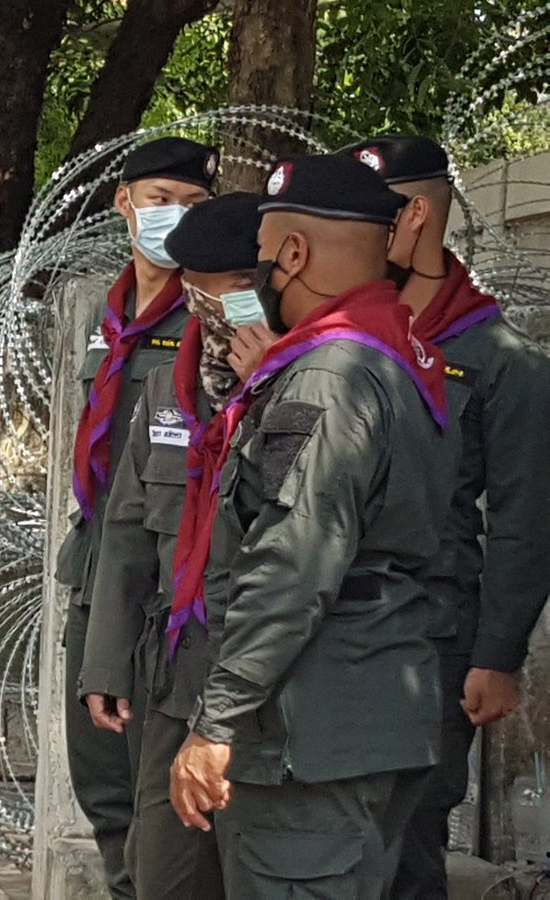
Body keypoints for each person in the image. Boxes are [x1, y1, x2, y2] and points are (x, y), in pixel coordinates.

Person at [169, 155, 457, 898]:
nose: (255, 277)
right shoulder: (399, 358)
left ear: (292, 255)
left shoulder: (325, 378)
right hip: (369, 712)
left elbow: (292, 563)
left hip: (307, 732)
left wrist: (216, 723)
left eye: (263, 257)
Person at [338, 135, 550, 899]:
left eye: (365, 216)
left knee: (404, 840)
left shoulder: (501, 361)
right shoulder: (344, 338)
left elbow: (528, 518)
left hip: (430, 643)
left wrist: (496, 656)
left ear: (414, 216)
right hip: (330, 626)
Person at [82, 193, 270, 900]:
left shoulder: (304, 387)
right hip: (175, 675)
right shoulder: (169, 390)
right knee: (163, 870)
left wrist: (269, 379)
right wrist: (106, 660)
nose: (220, 311)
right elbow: (126, 534)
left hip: (264, 681)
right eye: (205, 291)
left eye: (240, 291)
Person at [57, 136, 219, 898]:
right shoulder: (108, 309)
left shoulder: (218, 310)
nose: (172, 218)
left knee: (159, 800)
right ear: (124, 203)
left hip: (170, 582)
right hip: (98, 567)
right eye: (159, 200)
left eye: (192, 205)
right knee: (100, 780)